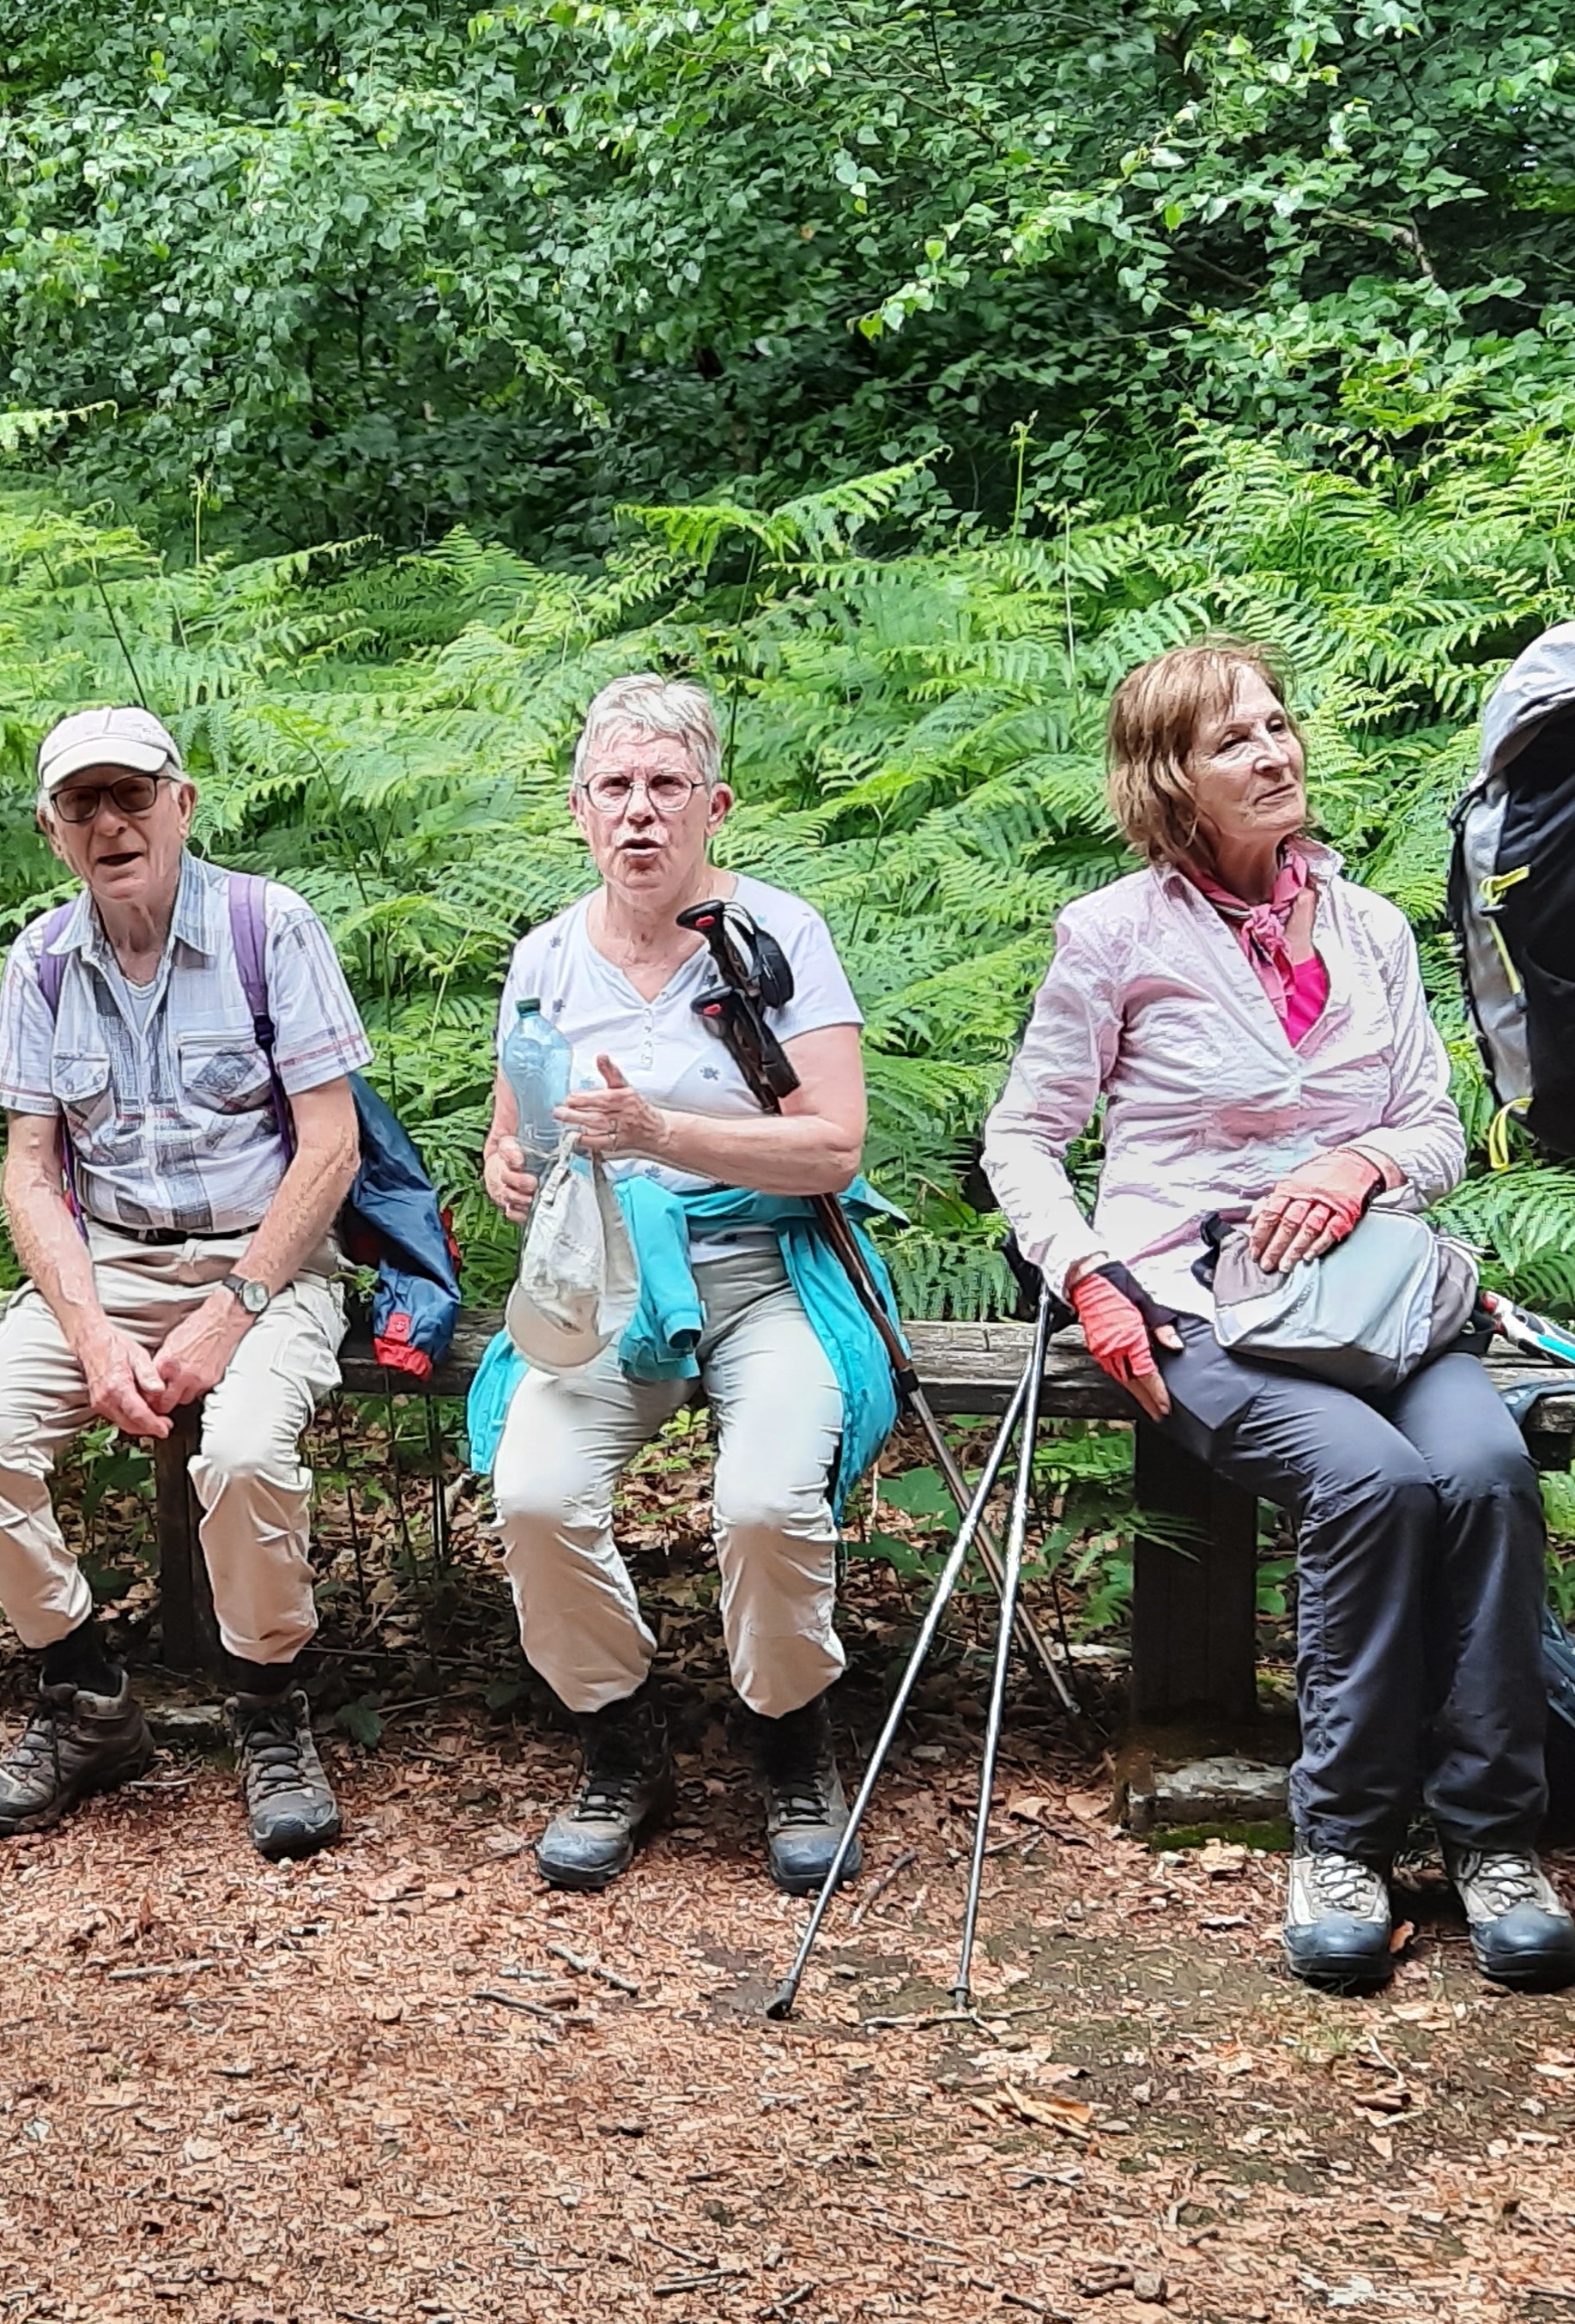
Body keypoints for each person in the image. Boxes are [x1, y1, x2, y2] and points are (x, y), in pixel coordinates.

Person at [984, 639, 1575, 1995]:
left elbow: (1433, 1122)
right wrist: (1084, 1271)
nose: (1273, 752)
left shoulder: (1366, 925)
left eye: (1277, 723)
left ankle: (1494, 1839)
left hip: (1372, 1297)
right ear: (1169, 782)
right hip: (1192, 1309)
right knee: (1369, 1482)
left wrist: (1352, 1163)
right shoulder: (1112, 935)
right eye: (1231, 740)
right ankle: (1342, 1843)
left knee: (1483, 1471)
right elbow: (1022, 1139)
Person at [0, 707, 369, 1860]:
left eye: (133, 797)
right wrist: (88, 1337)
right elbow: (29, 1174)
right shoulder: (39, 959)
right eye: (83, 805)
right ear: (51, 830)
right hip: (109, 1259)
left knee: (243, 1452)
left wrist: (236, 1309)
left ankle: (270, 1703)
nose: (111, 823)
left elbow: (330, 1147)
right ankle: (84, 1700)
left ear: (182, 805)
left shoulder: (268, 927)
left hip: (268, 1259)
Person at [480, 673, 884, 1898]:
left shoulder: (778, 938)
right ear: (577, 809)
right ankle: (621, 1741)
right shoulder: (545, 959)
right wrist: (506, 1167)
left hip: (764, 1268)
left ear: (713, 806)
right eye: (614, 788)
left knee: (765, 1505)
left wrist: (659, 1133)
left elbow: (833, 1146)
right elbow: (511, 1134)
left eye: (664, 789)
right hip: (602, 1281)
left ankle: (791, 1740)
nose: (638, 815)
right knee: (538, 1495)